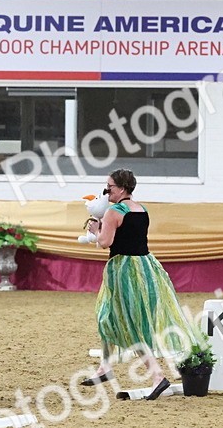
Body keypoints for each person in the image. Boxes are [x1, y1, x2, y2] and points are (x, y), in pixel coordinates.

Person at [82, 169, 204, 397]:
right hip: (146, 267)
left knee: (129, 324)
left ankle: (157, 376)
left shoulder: (113, 212)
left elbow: (105, 242)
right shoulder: (141, 209)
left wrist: (96, 230)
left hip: (123, 271)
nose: (106, 190)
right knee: (107, 315)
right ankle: (105, 367)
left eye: (109, 186)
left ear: (121, 188)